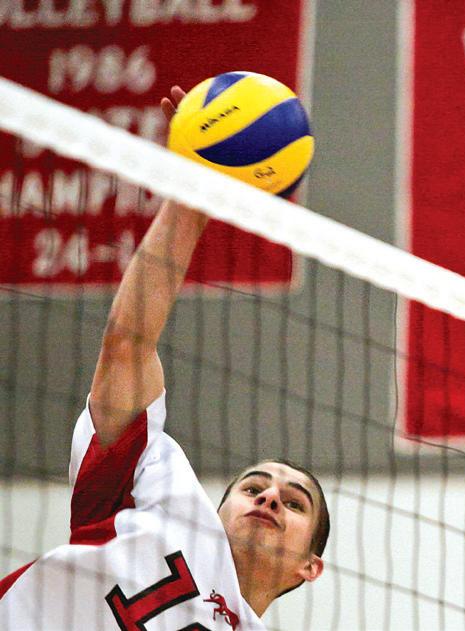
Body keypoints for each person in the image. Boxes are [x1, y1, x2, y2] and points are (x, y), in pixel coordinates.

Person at [0, 87, 329, 630]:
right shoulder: (165, 500)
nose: (270, 497)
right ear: (217, 514)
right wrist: (190, 193)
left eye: (294, 504)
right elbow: (127, 346)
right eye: (252, 488)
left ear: (309, 567)